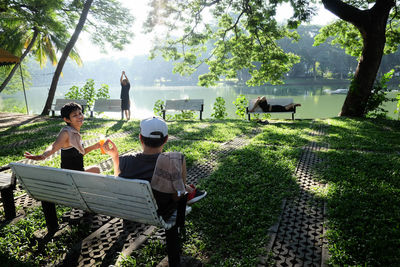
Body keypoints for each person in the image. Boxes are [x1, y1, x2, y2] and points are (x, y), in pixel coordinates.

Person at [103, 116, 206, 219]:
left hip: (132, 211)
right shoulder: (174, 161)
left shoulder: (125, 160)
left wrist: (115, 157)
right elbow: (177, 197)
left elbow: (118, 179)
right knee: (181, 187)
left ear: (140, 138)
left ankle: (190, 190)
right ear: (166, 139)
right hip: (160, 213)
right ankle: (191, 191)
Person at [24, 102, 102, 173]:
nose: (79, 117)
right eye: (75, 115)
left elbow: (79, 154)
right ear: (67, 119)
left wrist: (94, 146)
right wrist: (44, 155)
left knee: (96, 169)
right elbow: (54, 146)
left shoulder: (74, 133)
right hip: (72, 176)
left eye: (80, 113)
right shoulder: (66, 133)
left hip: (75, 173)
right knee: (97, 170)